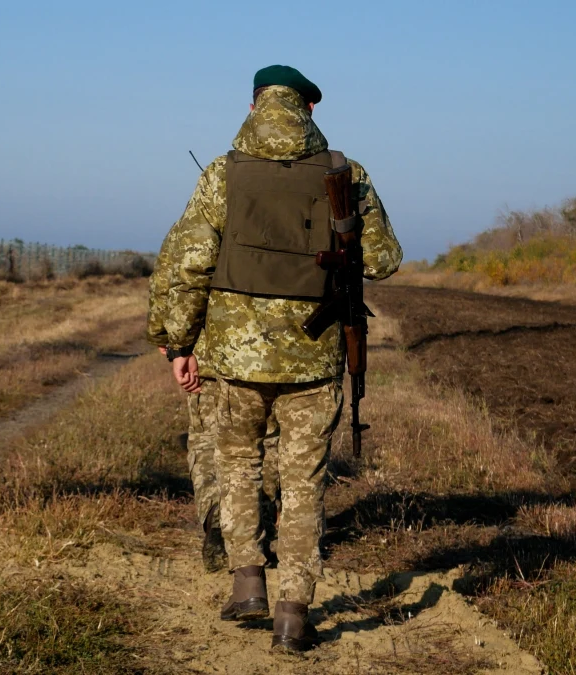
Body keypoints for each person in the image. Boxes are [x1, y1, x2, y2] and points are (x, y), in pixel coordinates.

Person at [159, 65, 402, 652]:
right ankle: (293, 614)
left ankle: (248, 585)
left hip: (234, 361)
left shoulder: (223, 173)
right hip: (313, 361)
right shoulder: (346, 174)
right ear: (310, 110)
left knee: (238, 466)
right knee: (304, 484)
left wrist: (179, 343)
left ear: (252, 106)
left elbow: (188, 264)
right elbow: (385, 260)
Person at [148, 250, 281, 573]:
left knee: (208, 440)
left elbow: (171, 272)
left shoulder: (210, 205)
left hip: (209, 352)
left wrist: (169, 336)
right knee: (266, 443)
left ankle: (217, 518)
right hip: (274, 354)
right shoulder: (298, 202)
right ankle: (258, 526)